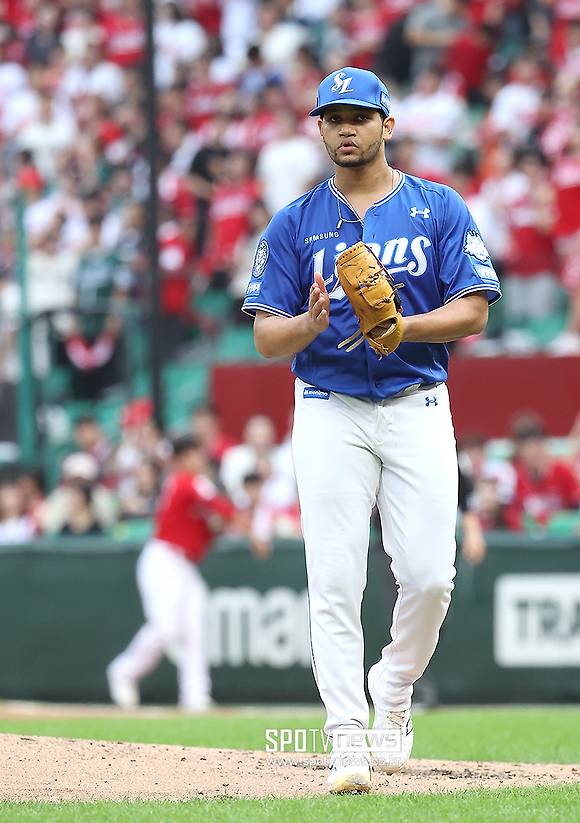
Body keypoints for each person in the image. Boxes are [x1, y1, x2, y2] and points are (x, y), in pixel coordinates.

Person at [242, 67, 501, 793]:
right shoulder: (295, 222)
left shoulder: (437, 206)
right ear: (319, 130)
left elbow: (476, 308)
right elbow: (266, 336)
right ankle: (346, 737)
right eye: (333, 116)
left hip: (417, 400)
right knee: (332, 577)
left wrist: (402, 327)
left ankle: (392, 683)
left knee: (429, 575)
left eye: (359, 114)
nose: (346, 127)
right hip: (328, 404)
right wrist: (309, 323)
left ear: (388, 124)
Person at [106, 435, 235, 712]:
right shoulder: (185, 480)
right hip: (163, 559)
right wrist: (250, 530)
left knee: (194, 630)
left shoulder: (191, 487)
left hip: (183, 566)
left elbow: (211, 528)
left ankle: (196, 697)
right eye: (191, 454)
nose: (198, 459)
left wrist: (218, 524)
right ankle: (124, 671)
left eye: (198, 453)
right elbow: (223, 508)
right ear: (179, 459)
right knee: (166, 628)